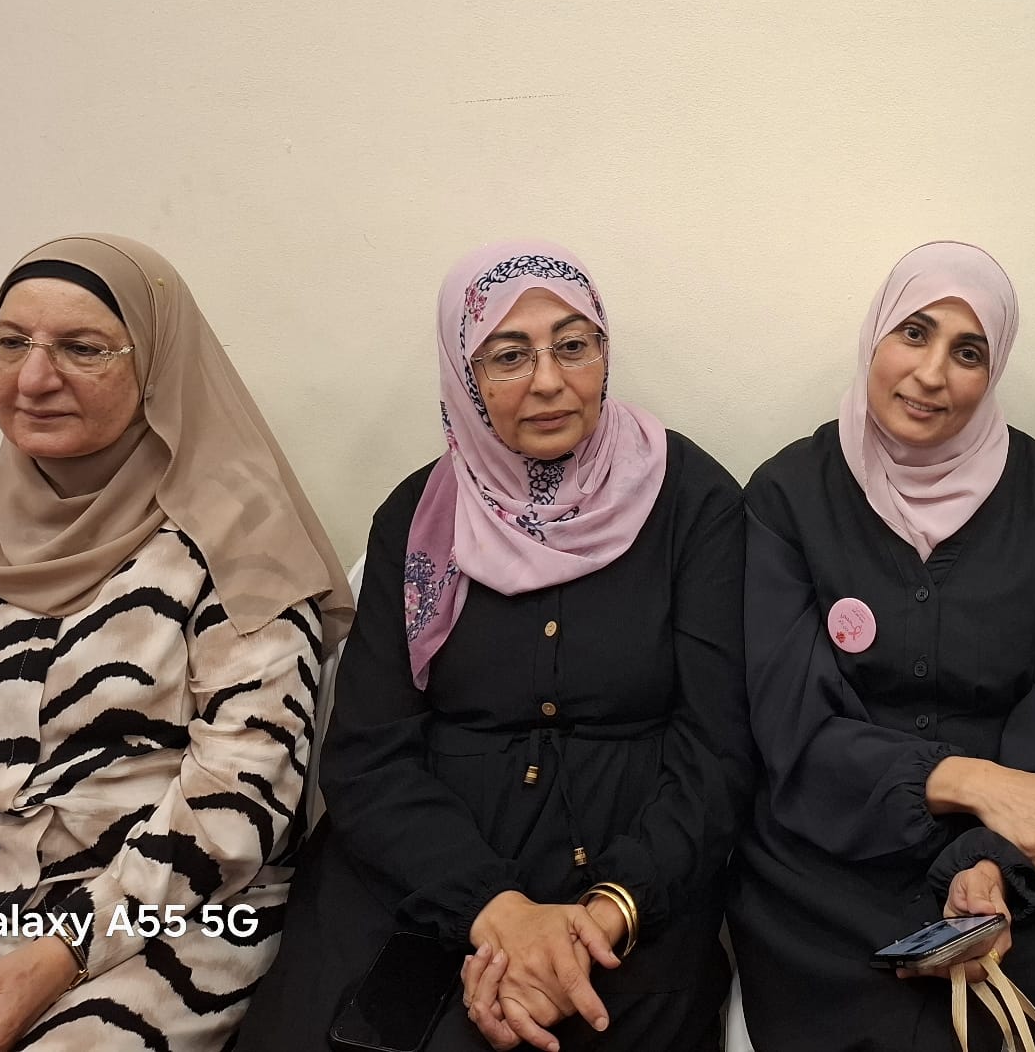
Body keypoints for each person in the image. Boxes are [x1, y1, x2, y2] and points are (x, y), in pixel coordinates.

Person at [236, 241, 749, 1052]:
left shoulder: (692, 501)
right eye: (508, 356)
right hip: (424, 867)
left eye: (573, 345)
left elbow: (718, 747)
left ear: (605, 353)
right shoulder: (419, 518)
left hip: (636, 874)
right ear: (463, 375)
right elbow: (367, 754)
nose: (547, 380)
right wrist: (496, 911)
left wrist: (603, 913)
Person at [0, 234, 352, 1052]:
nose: (33, 378)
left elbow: (241, 792)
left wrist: (63, 951)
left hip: (168, 919)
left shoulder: (235, 540)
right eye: (10, 342)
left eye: (82, 348)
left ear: (155, 366)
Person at [730, 241, 1035, 1051]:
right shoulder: (788, 495)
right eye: (914, 333)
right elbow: (794, 729)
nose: (932, 374)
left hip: (1018, 869)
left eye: (967, 352)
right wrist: (971, 781)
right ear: (875, 335)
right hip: (826, 868)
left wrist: (989, 863)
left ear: (993, 369)